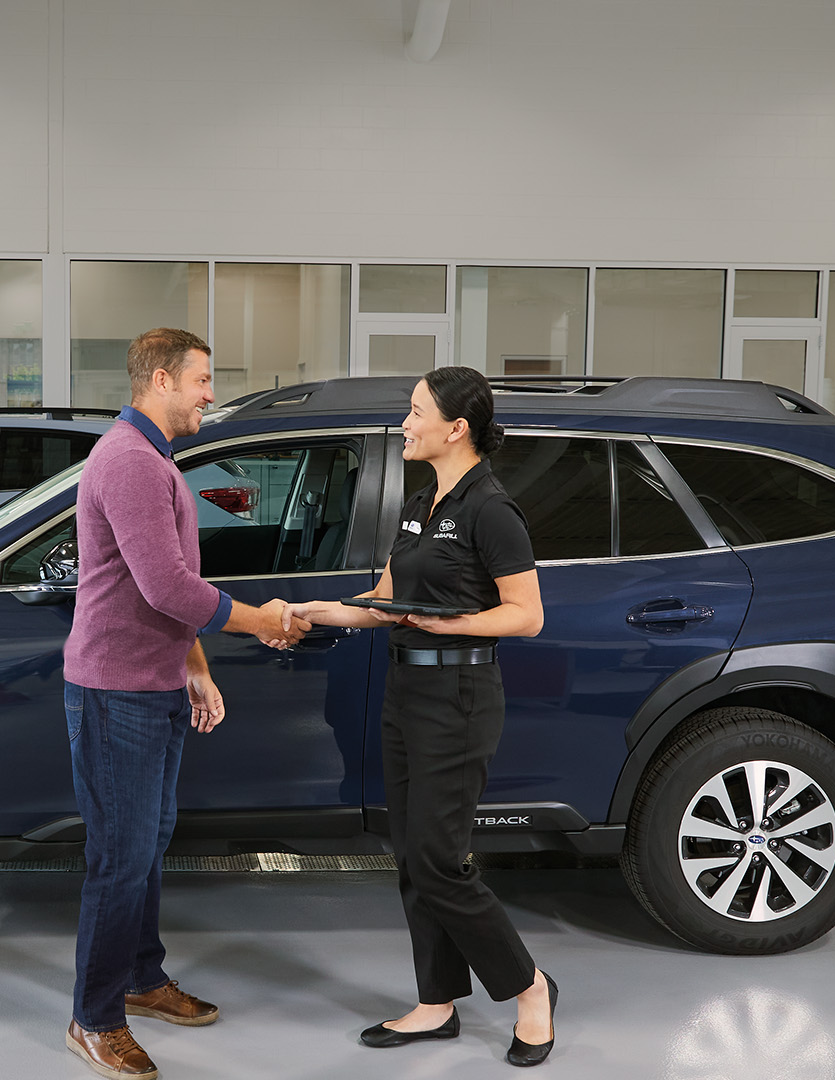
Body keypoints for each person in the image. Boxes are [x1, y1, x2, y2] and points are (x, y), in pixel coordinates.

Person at [283, 366, 558, 1068]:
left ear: (455, 427)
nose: (404, 424)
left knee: (439, 861)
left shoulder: (490, 509)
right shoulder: (420, 502)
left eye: (414, 413)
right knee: (411, 856)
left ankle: (529, 988)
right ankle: (436, 1002)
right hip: (407, 696)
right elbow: (382, 599)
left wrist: (441, 624)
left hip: (459, 702)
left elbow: (526, 616)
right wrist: (312, 612)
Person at [62, 327, 311, 1080]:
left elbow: (166, 583)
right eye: (203, 379)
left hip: (154, 684)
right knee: (120, 856)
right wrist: (263, 620)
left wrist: (195, 666)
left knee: (147, 843)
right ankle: (94, 1018)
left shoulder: (153, 459)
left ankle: (140, 979)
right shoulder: (132, 463)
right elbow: (167, 590)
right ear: (162, 380)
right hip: (117, 694)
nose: (211, 393)